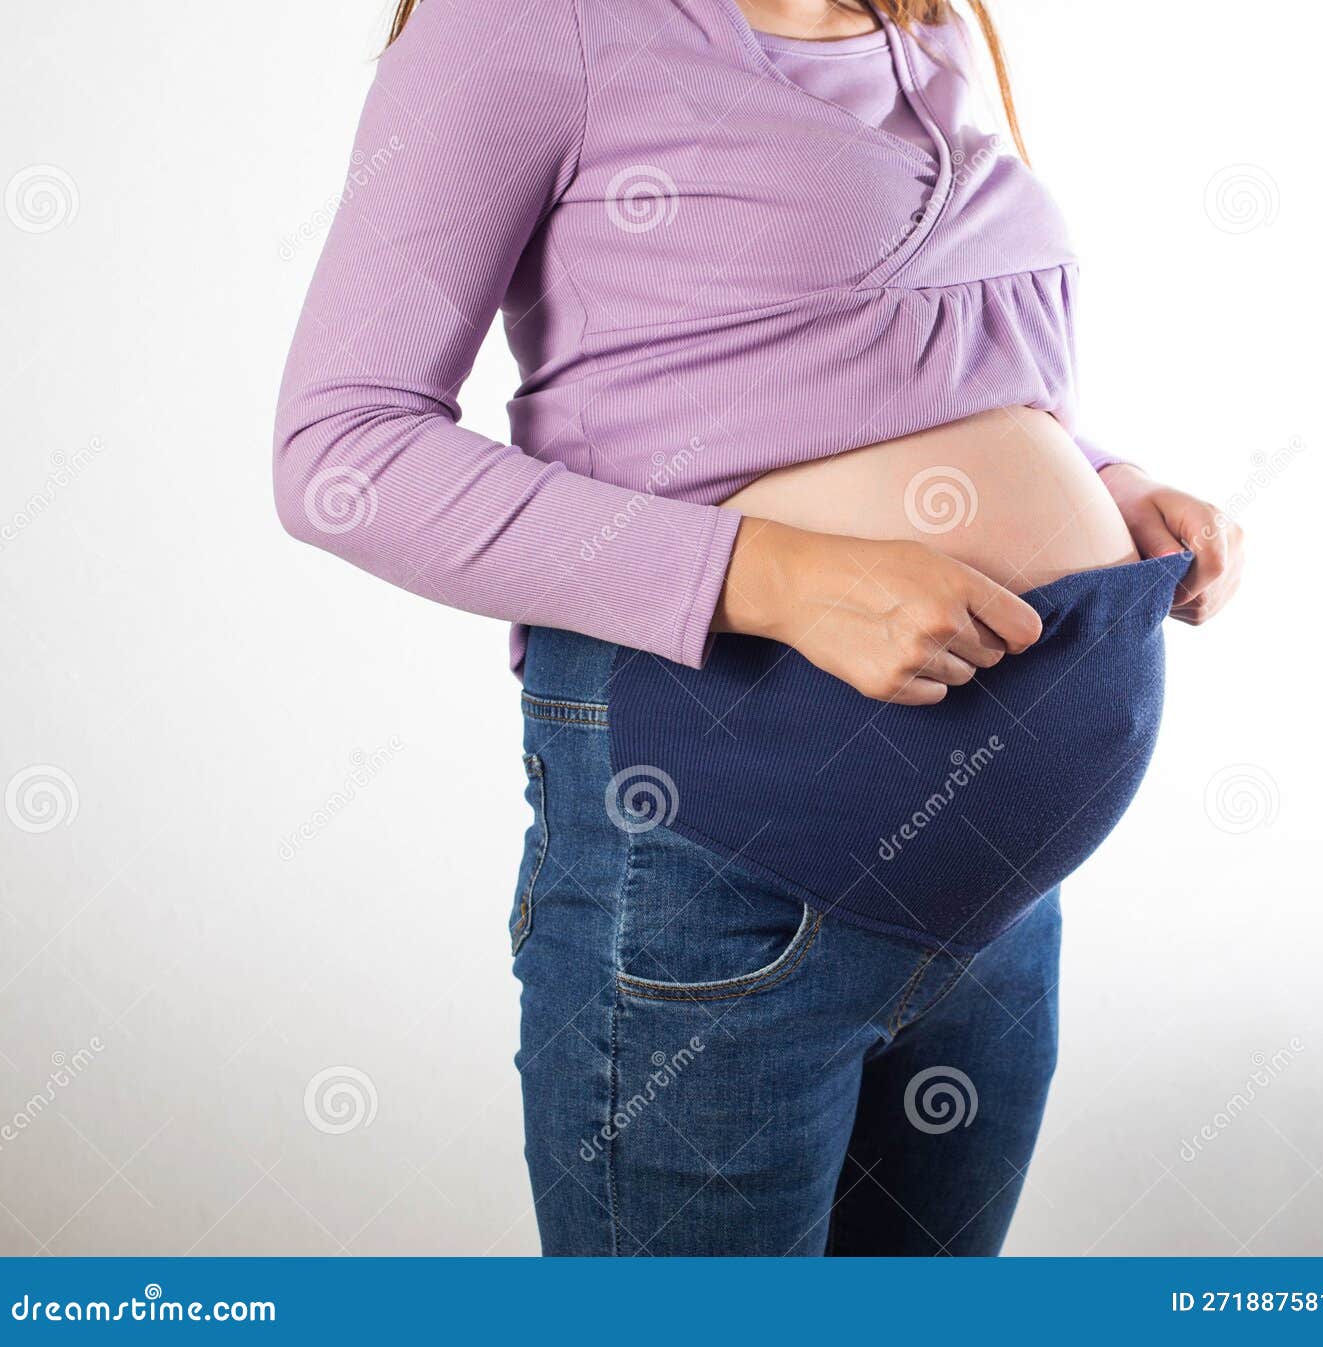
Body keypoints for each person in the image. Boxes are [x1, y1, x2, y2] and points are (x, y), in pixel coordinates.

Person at [274, 0, 1244, 1255]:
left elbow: (900, 373)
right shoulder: (525, 26)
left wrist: (1104, 484)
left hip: (994, 913)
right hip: (716, 877)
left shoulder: (917, 23)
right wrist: (766, 575)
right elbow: (341, 453)